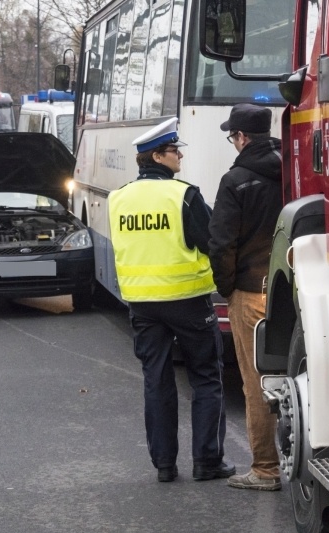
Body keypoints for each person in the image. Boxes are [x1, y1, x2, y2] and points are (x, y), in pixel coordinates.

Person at [108, 117, 235, 483]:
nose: (180, 155)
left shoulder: (118, 199)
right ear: (157, 156)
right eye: (174, 150)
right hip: (187, 300)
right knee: (206, 377)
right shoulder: (183, 195)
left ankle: (164, 464)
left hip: (142, 304)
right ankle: (206, 461)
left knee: (157, 380)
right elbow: (211, 242)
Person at [209, 103, 283, 491]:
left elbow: (222, 244)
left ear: (241, 137)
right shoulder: (293, 170)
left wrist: (228, 288)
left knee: (256, 383)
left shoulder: (235, 180)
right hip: (292, 294)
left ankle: (266, 469)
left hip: (251, 292)